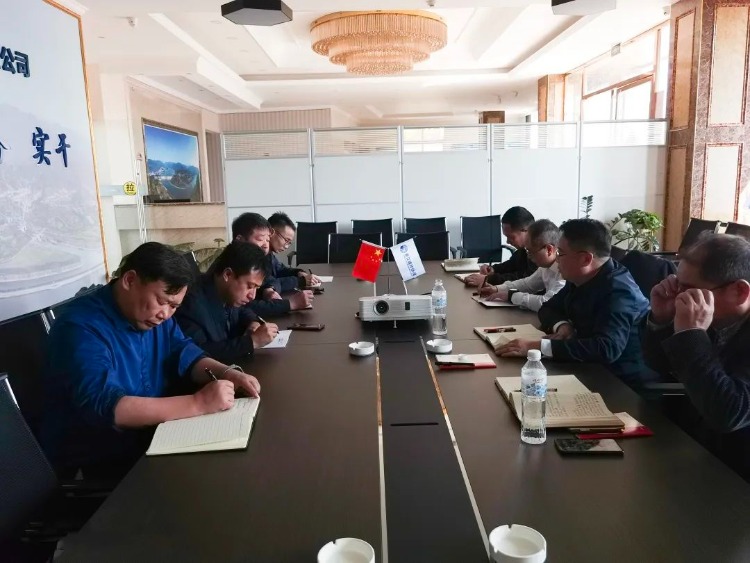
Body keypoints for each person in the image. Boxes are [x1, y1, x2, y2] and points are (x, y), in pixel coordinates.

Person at [40, 242, 262, 479]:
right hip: (105, 458)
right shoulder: (80, 326)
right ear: (130, 280)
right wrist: (198, 403)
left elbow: (184, 351)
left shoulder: (153, 317)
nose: (165, 314)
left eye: (174, 306)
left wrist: (228, 372)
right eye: (162, 301)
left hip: (154, 435)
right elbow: (107, 407)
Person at [644, 233, 750, 481]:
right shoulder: (714, 314)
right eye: (677, 283)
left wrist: (691, 334)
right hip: (697, 449)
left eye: (688, 289)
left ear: (739, 291)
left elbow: (728, 413)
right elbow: (659, 366)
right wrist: (662, 320)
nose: (678, 296)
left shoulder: (704, 317)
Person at [496, 219, 652, 387]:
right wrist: (562, 326)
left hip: (620, 383)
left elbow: (606, 348)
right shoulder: (580, 277)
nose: (556, 259)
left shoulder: (619, 291)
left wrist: (538, 347)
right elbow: (548, 308)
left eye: (561, 253)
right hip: (584, 367)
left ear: (585, 259)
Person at [175, 241, 280, 365]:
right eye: (250, 286)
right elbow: (196, 353)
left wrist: (252, 322)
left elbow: (242, 310)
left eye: (256, 288)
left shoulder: (227, 293)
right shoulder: (190, 303)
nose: (252, 296)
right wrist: (252, 342)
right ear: (228, 274)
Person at [232, 212, 313, 317]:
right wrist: (290, 303)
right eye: (260, 239)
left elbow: (272, 278)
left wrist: (252, 322)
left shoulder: (263, 256)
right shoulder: (236, 264)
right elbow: (242, 307)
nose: (265, 245)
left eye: (267, 240)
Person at [478, 219, 565, 312]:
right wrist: (497, 289)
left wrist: (511, 296)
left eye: (531, 252)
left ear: (549, 250)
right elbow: (527, 284)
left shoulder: (565, 271)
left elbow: (547, 303)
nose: (528, 257)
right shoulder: (545, 267)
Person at [464, 206, 537, 287]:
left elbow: (525, 279)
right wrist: (493, 269)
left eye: (511, 237)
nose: (507, 241)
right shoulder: (524, 249)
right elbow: (511, 265)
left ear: (526, 230)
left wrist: (488, 279)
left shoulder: (538, 251)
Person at [268, 211, 321, 291]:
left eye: (289, 243)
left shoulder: (269, 254)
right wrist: (301, 281)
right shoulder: (256, 256)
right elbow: (269, 283)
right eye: (286, 240)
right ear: (271, 232)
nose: (286, 246)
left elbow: (280, 270)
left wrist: (298, 273)